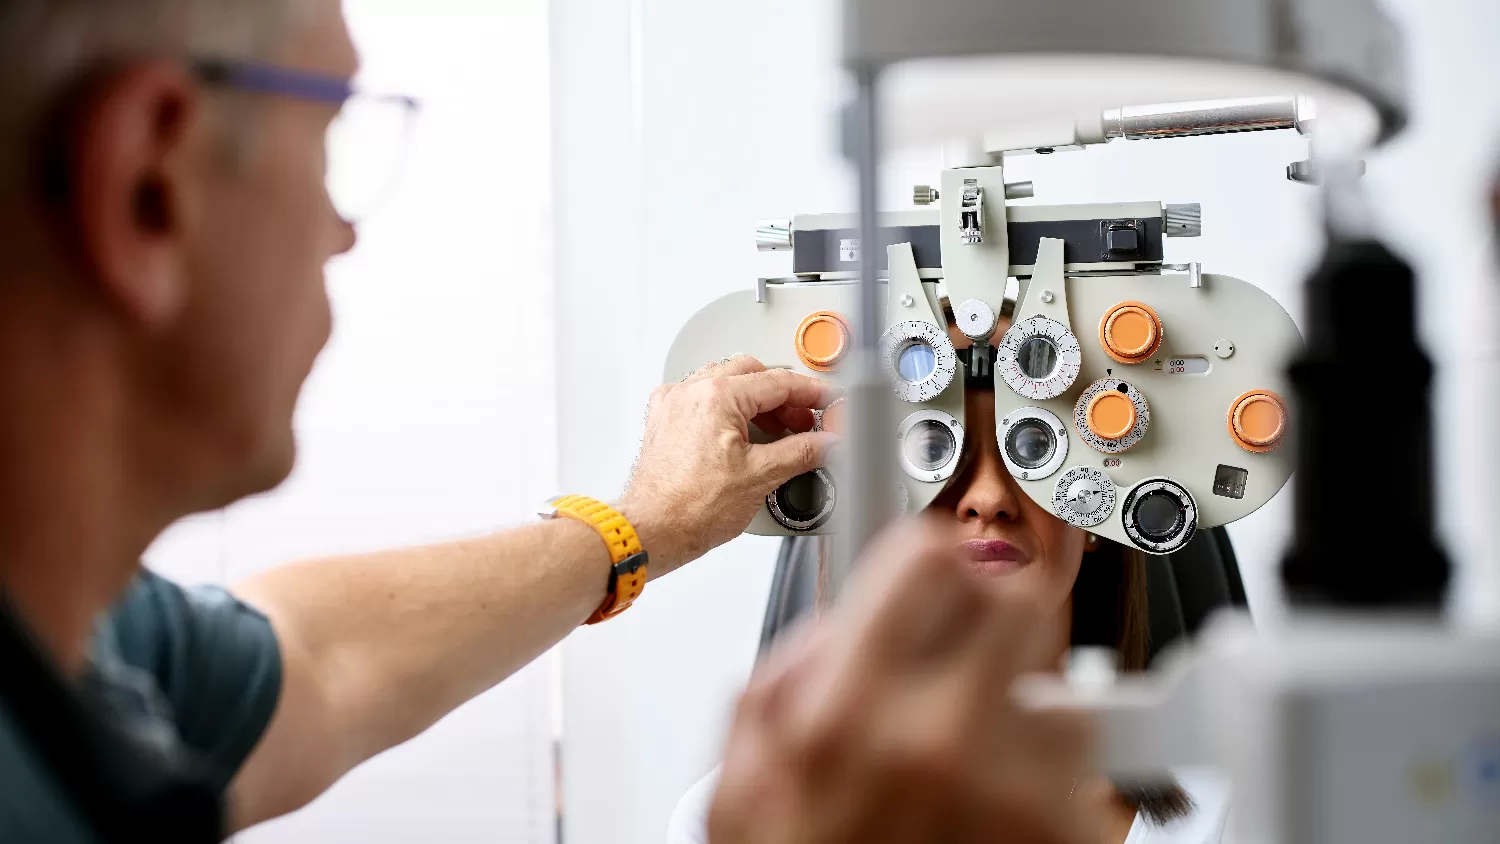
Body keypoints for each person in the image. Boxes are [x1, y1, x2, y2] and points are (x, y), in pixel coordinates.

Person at [0, 1, 845, 840]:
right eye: (327, 137)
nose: (342, 234)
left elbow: (323, 660)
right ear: (150, 187)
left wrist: (648, 525)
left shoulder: (90, 642)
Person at [672, 324, 1233, 844]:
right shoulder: (732, 819)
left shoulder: (1231, 815)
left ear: (1094, 519)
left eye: (1035, 448)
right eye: (931, 451)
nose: (987, 497)